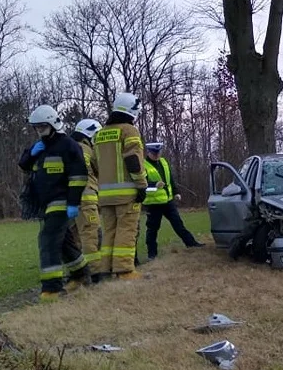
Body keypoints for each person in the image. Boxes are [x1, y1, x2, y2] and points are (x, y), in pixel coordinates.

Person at [18, 104, 92, 302]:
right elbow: (23, 164)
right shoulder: (40, 146)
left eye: (42, 126)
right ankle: (81, 274)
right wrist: (31, 153)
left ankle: (52, 289)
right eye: (36, 127)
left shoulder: (68, 145)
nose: (39, 131)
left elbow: (78, 176)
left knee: (48, 240)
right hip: (44, 203)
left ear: (53, 123)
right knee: (65, 243)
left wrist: (73, 203)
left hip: (61, 201)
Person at [94, 92, 148, 280]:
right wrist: (141, 185)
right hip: (126, 194)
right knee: (126, 231)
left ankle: (105, 270)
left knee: (109, 233)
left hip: (105, 196)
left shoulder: (99, 134)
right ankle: (124, 270)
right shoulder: (129, 131)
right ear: (132, 111)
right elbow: (133, 160)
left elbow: (94, 165)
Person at [142, 142, 204, 260]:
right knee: (152, 229)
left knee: (178, 224)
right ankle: (152, 254)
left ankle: (191, 244)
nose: (156, 155)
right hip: (153, 203)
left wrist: (176, 192)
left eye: (158, 152)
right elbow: (142, 185)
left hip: (168, 201)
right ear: (148, 152)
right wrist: (155, 184)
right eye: (154, 153)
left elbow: (170, 179)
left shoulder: (164, 162)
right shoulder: (144, 165)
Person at [69, 119, 105, 284]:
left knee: (74, 238)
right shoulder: (85, 149)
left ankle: (78, 274)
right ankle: (96, 274)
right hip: (86, 199)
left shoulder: (66, 148)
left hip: (68, 201)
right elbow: (100, 171)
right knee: (91, 236)